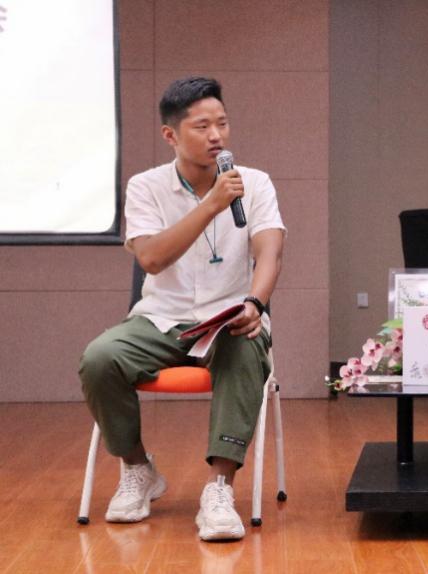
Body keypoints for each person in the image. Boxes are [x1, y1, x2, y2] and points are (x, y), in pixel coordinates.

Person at [79, 76, 285, 541]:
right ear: (170, 135)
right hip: (160, 319)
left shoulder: (254, 183)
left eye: (222, 124)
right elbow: (151, 258)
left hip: (229, 320)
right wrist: (211, 205)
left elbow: (270, 251)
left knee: (246, 346)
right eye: (202, 126)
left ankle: (219, 487)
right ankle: (138, 469)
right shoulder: (146, 186)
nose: (216, 136)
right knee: (100, 358)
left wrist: (255, 302)